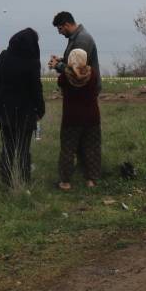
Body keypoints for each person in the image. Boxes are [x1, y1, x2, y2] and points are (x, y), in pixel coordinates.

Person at [0, 28, 45, 187]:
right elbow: (36, 88)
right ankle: (23, 180)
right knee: (23, 148)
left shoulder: (3, 56)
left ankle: (6, 180)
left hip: (5, 110)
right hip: (26, 112)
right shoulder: (33, 62)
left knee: (8, 147)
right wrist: (40, 109)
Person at [57, 49, 101, 190]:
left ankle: (65, 182)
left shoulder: (64, 76)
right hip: (91, 117)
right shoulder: (92, 74)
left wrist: (62, 65)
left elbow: (61, 83)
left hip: (71, 118)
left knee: (68, 150)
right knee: (92, 148)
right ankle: (91, 180)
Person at [49, 12, 100, 94]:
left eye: (60, 28)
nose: (59, 32)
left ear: (67, 25)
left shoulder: (81, 40)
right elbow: (75, 61)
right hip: (80, 91)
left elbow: (77, 72)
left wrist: (57, 65)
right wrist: (61, 60)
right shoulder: (76, 37)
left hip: (84, 92)